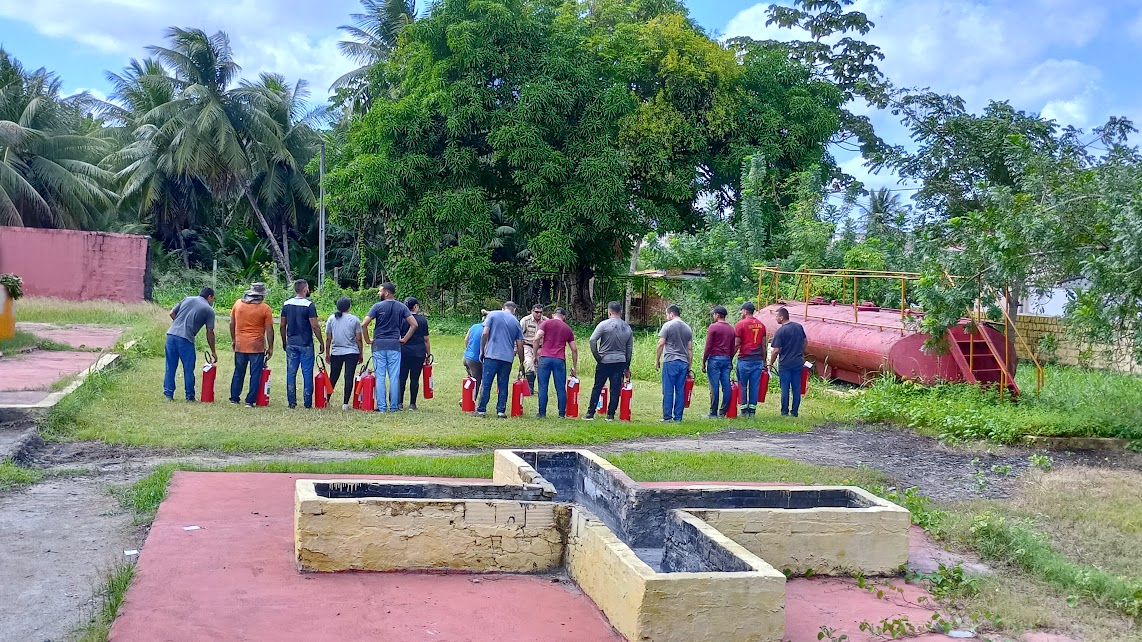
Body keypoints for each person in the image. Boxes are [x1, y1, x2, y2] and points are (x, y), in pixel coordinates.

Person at [361, 283, 417, 412]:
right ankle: (393, 406)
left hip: (379, 345)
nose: (378, 293)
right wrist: (404, 339)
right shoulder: (401, 307)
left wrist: (368, 340)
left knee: (380, 376)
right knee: (394, 377)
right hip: (394, 345)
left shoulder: (377, 306)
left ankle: (381, 407)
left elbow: (364, 324)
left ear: (386, 293)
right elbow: (414, 324)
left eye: (380, 291)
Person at [164, 287, 217, 401]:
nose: (213, 301)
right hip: (186, 339)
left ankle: (168, 394)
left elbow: (172, 313)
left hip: (171, 335)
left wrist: (179, 324)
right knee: (188, 368)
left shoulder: (187, 299)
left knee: (170, 367)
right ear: (209, 297)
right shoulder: (208, 310)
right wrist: (213, 351)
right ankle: (189, 396)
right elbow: (210, 332)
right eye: (213, 299)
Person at [280, 279, 325, 409]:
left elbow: (283, 325)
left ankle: (291, 402)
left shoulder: (286, 304)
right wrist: (321, 342)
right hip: (305, 343)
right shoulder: (309, 305)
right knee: (307, 373)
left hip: (291, 342)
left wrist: (284, 341)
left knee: (291, 372)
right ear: (305, 289)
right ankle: (307, 402)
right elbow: (315, 326)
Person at [585, 301, 633, 421]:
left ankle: (590, 413)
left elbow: (592, 340)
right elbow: (629, 349)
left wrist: (597, 356)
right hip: (620, 361)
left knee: (598, 386)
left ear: (609, 311)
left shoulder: (604, 325)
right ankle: (610, 414)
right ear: (621, 312)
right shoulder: (627, 327)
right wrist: (627, 367)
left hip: (605, 360)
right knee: (615, 388)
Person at [476, 301, 525, 418]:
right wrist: (522, 362)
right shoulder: (516, 322)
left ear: (503, 308)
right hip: (507, 358)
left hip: (492, 355)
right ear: (514, 310)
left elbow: (484, 333)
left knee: (486, 383)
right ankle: (501, 411)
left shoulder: (493, 314)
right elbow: (520, 345)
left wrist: (482, 350)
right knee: (503, 384)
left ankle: (481, 409)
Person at [229, 282, 273, 407]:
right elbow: (269, 330)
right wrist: (270, 347)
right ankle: (250, 401)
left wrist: (234, 339)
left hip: (240, 343)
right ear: (261, 295)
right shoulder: (265, 308)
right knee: (255, 374)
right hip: (256, 345)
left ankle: (234, 398)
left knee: (238, 371)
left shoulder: (238, 304)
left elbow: (231, 323)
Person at [532, 307, 579, 418]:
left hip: (545, 358)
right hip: (559, 359)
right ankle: (561, 414)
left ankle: (542, 413)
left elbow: (536, 338)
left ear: (553, 315)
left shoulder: (546, 323)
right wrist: (574, 366)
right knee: (560, 387)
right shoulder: (567, 329)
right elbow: (574, 349)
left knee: (543, 386)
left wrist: (534, 355)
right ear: (564, 317)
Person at [768, 306, 808, 417]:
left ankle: (784, 412)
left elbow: (775, 351)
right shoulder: (798, 327)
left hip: (785, 364)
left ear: (781, 317)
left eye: (776, 316)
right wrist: (801, 352)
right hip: (798, 362)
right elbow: (805, 341)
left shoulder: (780, 331)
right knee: (796, 388)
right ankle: (794, 412)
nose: (776, 319)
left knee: (785, 388)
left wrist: (770, 364)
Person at [324, 296, 363, 410]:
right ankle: (345, 403)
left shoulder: (331, 319)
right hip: (352, 352)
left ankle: (327, 398)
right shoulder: (354, 320)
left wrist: (327, 353)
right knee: (348, 376)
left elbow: (328, 338)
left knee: (333, 376)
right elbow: (359, 339)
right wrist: (360, 353)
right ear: (349, 307)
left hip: (336, 351)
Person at [656, 305, 693, 422]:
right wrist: (689, 365)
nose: (667, 317)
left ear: (671, 314)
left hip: (670, 361)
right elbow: (690, 349)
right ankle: (678, 417)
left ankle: (667, 417)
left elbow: (661, 343)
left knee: (668, 390)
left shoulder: (667, 326)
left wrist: (657, 360)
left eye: (667, 315)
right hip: (683, 362)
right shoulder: (688, 328)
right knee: (680, 390)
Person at [734, 301, 767, 417]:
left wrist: (730, 357)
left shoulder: (740, 324)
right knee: (754, 385)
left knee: (742, 384)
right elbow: (764, 345)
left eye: (741, 310)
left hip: (744, 359)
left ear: (745, 311)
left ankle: (743, 410)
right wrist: (764, 361)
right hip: (758, 360)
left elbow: (737, 343)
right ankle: (752, 410)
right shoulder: (762, 325)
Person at [702, 305, 735, 418]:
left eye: (714, 314)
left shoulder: (713, 327)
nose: (713, 316)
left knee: (714, 386)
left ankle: (713, 412)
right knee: (726, 386)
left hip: (715, 359)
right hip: (726, 359)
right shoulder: (731, 329)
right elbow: (732, 347)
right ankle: (723, 411)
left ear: (717, 315)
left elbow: (708, 346)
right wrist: (730, 360)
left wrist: (704, 360)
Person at [398, 297, 431, 410]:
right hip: (418, 352)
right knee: (415, 378)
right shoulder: (422, 320)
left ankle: (399, 403)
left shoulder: (401, 319)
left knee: (401, 378)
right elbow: (426, 339)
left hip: (403, 352)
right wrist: (428, 354)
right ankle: (412, 404)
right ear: (416, 306)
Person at [520, 304, 547, 392]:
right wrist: (517, 349)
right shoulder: (525, 321)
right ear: (532, 311)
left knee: (539, 367)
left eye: (540, 312)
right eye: (536, 312)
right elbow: (519, 335)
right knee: (529, 363)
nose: (539, 314)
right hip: (528, 345)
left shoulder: (546, 321)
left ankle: (539, 387)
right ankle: (529, 388)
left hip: (541, 347)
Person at [462, 310, 488, 385]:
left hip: (466, 358)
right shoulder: (487, 331)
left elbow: (466, 339)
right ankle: (471, 397)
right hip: (475, 360)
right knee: (476, 383)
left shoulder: (474, 326)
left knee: (470, 380)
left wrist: (469, 350)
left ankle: (466, 396)